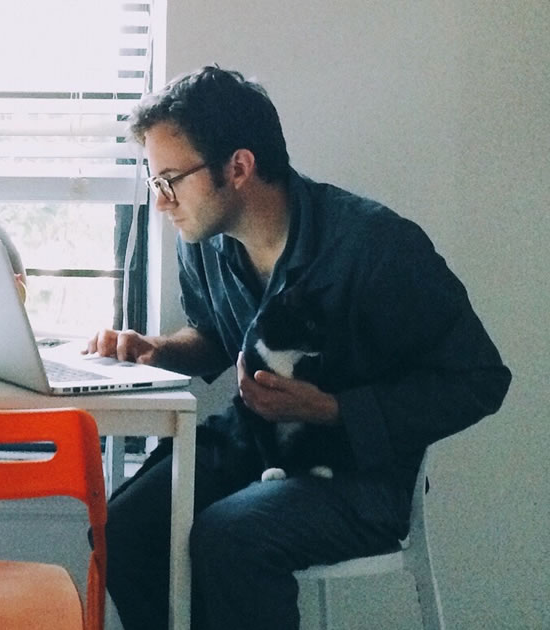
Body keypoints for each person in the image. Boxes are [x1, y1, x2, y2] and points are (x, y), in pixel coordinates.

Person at [86, 66, 511, 630]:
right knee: (122, 530)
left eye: (170, 181)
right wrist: (156, 350)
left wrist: (333, 409)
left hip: (359, 473)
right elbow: (216, 340)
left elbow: (480, 378)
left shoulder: (376, 248)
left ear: (238, 168)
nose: (162, 203)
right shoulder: (206, 242)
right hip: (252, 443)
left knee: (229, 539)